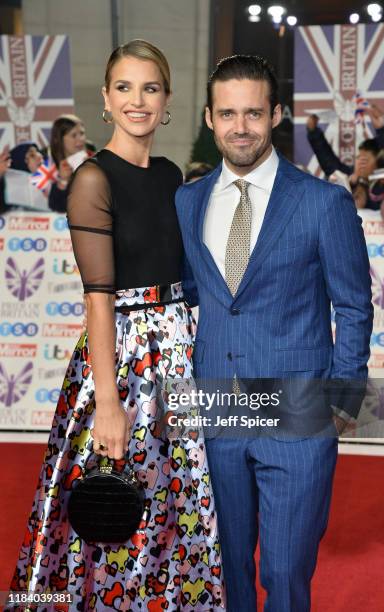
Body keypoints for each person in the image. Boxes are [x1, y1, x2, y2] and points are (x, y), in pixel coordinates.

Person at [7, 39, 224, 611]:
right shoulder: (91, 180)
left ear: (167, 99)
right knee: (112, 511)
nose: (137, 100)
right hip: (124, 363)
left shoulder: (171, 174)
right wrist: (107, 402)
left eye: (150, 88)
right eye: (124, 88)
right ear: (106, 99)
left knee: (176, 501)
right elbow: (98, 299)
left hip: (178, 353)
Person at [175, 55, 373, 612]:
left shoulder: (321, 202)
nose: (241, 127)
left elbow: (354, 304)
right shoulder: (188, 202)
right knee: (225, 566)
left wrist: (343, 396)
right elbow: (194, 294)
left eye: (254, 113)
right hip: (217, 409)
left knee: (285, 573)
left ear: (277, 115)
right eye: (229, 113)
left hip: (298, 411)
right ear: (211, 118)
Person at [48, 114, 89, 212]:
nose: (80, 139)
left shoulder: (96, 161)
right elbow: (56, 207)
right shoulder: (49, 167)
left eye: (82, 133)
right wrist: (63, 181)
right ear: (58, 139)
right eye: (74, 135)